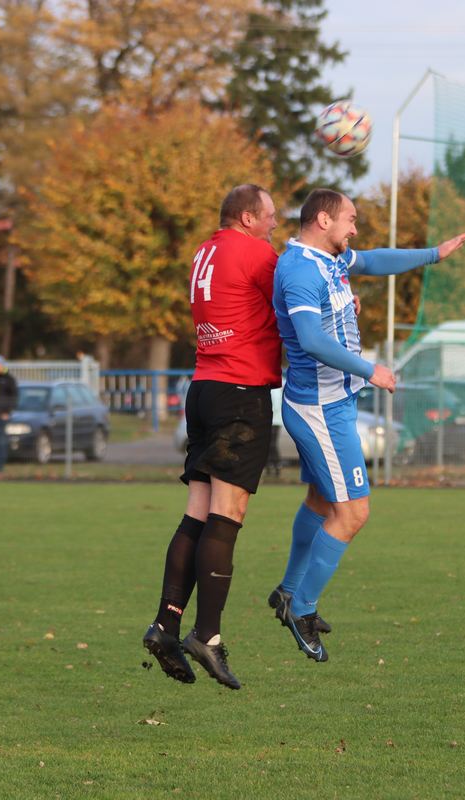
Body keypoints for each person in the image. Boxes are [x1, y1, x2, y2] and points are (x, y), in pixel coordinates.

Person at [269, 188, 465, 662]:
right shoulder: (300, 268)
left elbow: (375, 261)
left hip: (335, 402)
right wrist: (370, 370)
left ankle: (287, 591)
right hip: (320, 408)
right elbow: (312, 340)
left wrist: (432, 255)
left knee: (322, 500)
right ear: (323, 220)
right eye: (351, 220)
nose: (355, 229)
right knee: (354, 513)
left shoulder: (328, 260)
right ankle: (301, 610)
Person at [142, 183, 280, 690]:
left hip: (203, 386)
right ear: (247, 217)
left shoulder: (206, 250)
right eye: (269, 216)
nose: (274, 225)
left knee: (197, 515)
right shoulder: (256, 252)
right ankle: (209, 635)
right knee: (227, 515)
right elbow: (293, 307)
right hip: (240, 393)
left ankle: (166, 623)